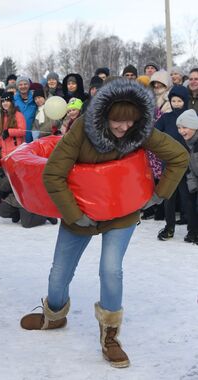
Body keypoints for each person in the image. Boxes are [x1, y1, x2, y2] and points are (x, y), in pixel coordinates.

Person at [19, 79, 189, 368]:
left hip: (121, 212)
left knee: (111, 270)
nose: (124, 128)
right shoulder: (82, 131)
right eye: (117, 122)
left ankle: (110, 335)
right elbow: (52, 174)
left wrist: (160, 194)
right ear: (104, 115)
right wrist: (74, 215)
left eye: (130, 122)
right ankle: (54, 315)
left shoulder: (139, 129)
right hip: (81, 212)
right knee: (60, 273)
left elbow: (179, 156)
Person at [156, 85, 197, 242]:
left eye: (179, 100)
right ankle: (169, 228)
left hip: (187, 165)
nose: (176, 104)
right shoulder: (166, 118)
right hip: (169, 164)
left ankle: (193, 230)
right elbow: (156, 134)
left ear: (185, 101)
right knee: (169, 197)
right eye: (173, 100)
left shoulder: (191, 118)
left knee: (187, 198)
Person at [177, 110, 198, 240]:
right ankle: (193, 232)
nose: (181, 131)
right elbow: (191, 167)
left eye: (185, 127)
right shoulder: (189, 143)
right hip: (194, 178)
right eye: (179, 128)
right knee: (189, 202)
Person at [0, 93, 26, 158]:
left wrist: (9, 132)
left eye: (7, 101)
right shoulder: (2, 116)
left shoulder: (18, 115)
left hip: (16, 150)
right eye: (3, 101)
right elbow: (0, 134)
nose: (5, 103)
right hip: (4, 152)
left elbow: (23, 131)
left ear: (11, 102)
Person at [14, 76, 37, 143]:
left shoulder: (35, 98)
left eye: (25, 84)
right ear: (17, 87)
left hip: (33, 137)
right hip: (18, 138)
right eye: (20, 84)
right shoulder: (14, 100)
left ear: (29, 85)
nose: (23, 86)